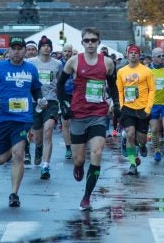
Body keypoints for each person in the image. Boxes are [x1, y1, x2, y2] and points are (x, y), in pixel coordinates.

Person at [56, 27, 118, 211]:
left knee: (97, 153)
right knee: (78, 159)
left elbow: (113, 86)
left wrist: (117, 103)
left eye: (93, 40)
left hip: (98, 114)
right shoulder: (73, 61)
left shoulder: (107, 63)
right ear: (82, 43)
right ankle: (79, 166)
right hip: (78, 114)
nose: (90, 43)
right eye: (87, 40)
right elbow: (60, 85)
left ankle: (86, 197)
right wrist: (64, 105)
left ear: (99, 42)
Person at [0, 37, 42, 207]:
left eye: (20, 48)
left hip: (22, 118)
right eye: (14, 48)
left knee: (18, 154)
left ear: (25, 50)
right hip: (2, 118)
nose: (17, 51)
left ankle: (14, 193)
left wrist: (40, 100)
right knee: (1, 160)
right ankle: (8, 149)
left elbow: (36, 89)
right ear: (9, 50)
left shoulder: (31, 69)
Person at [27, 35, 63, 179]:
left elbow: (60, 80)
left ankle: (45, 166)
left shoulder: (57, 63)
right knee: (38, 136)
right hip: (35, 102)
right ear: (39, 48)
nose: (46, 48)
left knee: (48, 131)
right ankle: (38, 148)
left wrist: (58, 92)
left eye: (48, 45)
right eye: (43, 46)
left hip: (51, 102)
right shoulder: (31, 63)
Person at [116, 44, 155, 175]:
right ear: (127, 55)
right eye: (131, 53)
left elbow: (152, 90)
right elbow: (120, 90)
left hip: (143, 108)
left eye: (135, 53)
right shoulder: (121, 71)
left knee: (141, 139)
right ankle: (132, 163)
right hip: (128, 107)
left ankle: (142, 146)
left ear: (139, 55)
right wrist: (121, 105)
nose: (133, 55)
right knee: (130, 134)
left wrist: (148, 108)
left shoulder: (147, 71)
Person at [60, 43, 75, 159]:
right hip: (64, 95)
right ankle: (68, 148)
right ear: (62, 52)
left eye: (69, 51)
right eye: (65, 51)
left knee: (77, 121)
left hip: (76, 95)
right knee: (65, 122)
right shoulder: (59, 65)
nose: (67, 53)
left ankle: (77, 144)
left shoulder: (76, 63)